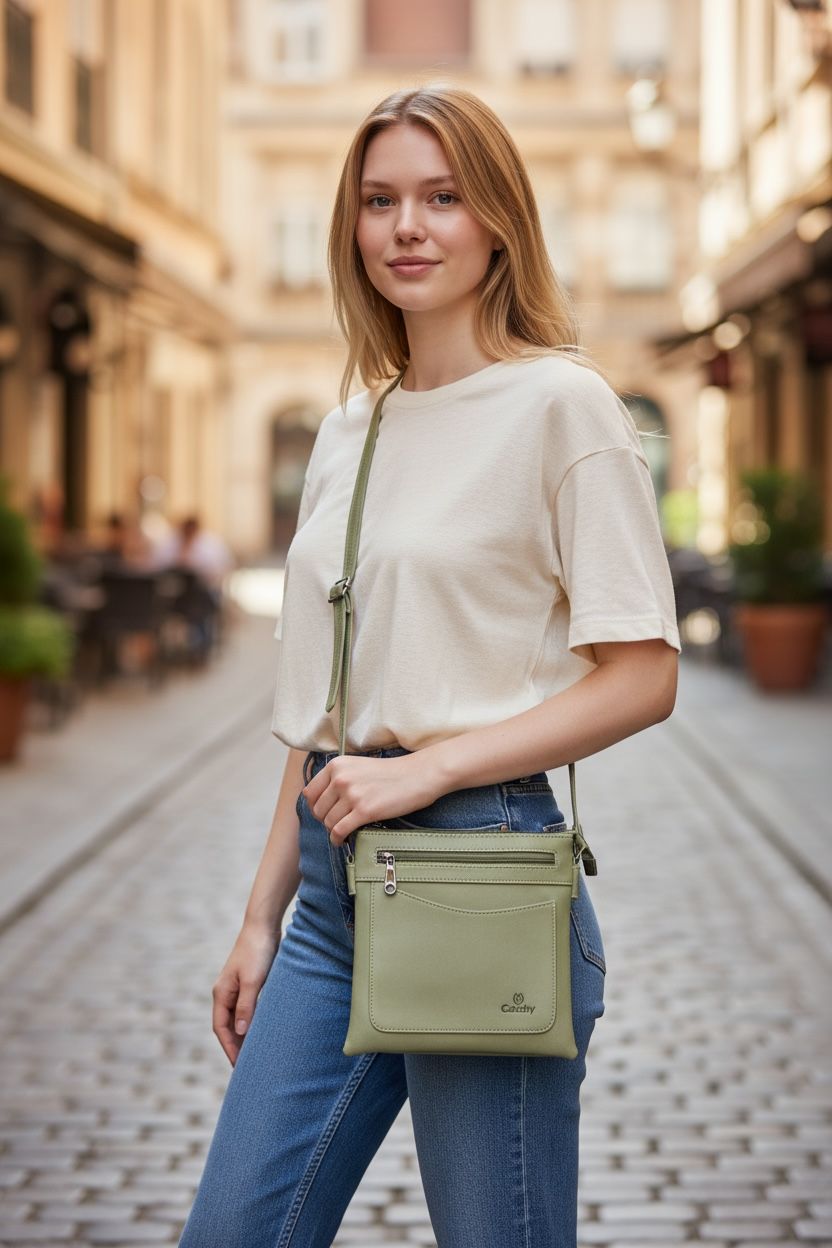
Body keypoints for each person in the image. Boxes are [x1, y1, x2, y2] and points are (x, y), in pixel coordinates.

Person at [178, 84, 681, 1248]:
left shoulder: (565, 406)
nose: (408, 226)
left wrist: (426, 770)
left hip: (479, 871)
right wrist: (261, 917)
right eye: (381, 200)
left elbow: (643, 673)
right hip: (327, 894)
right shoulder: (352, 425)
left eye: (442, 197)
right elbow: (324, 713)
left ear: (497, 218)